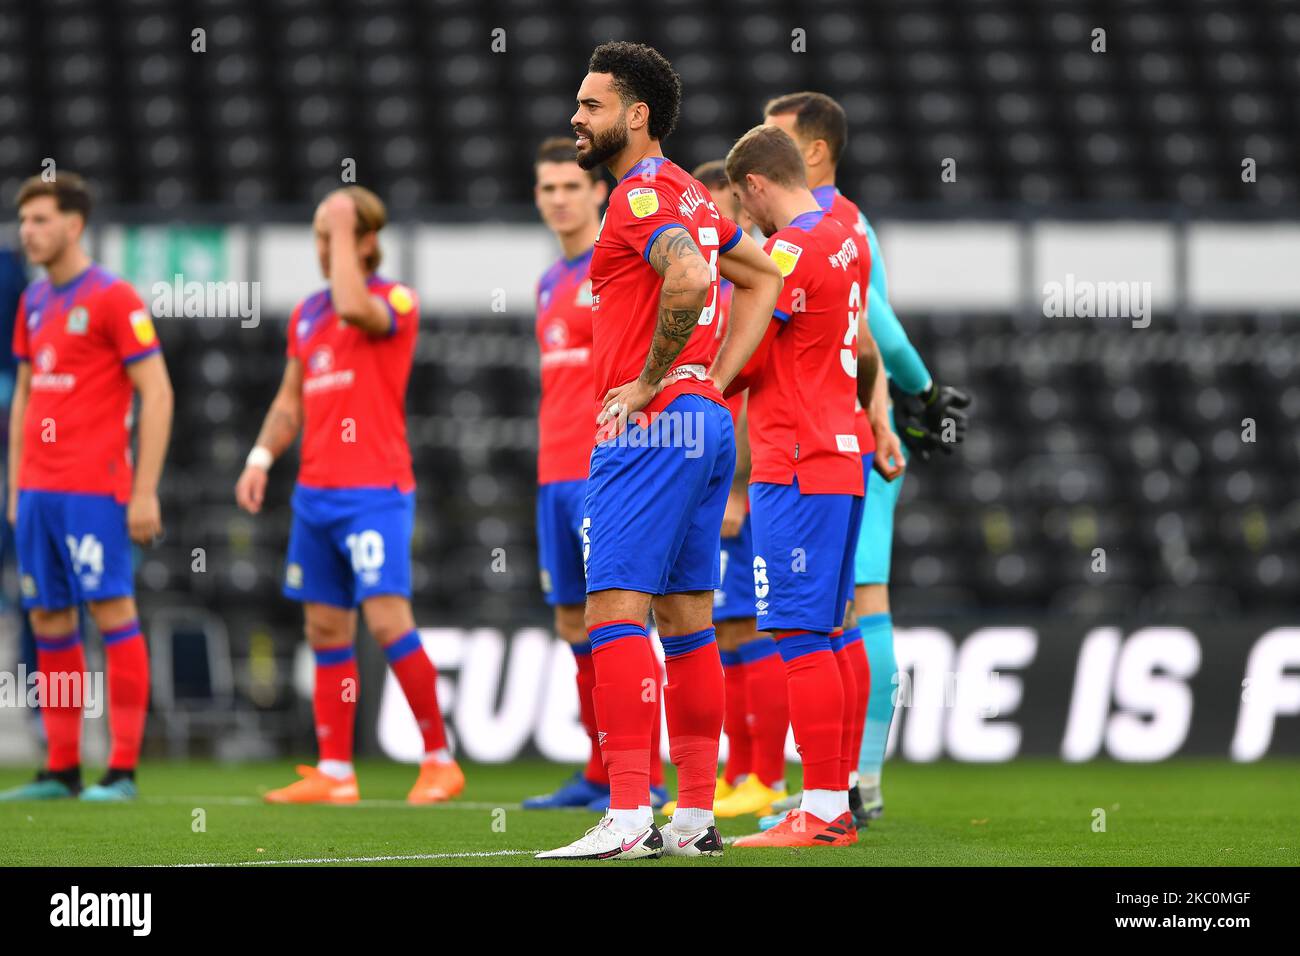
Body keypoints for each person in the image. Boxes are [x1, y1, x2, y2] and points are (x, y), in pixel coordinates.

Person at [537, 42, 781, 861]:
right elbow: (762, 280)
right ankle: (696, 816)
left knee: (612, 611)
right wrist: (712, 377)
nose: (576, 116)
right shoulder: (687, 190)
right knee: (687, 622)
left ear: (635, 116)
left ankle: (629, 813)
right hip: (705, 424)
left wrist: (649, 382)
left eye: (592, 104)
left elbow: (685, 281)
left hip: (649, 429)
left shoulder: (640, 197)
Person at [760, 92, 969, 828]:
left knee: (856, 607)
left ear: (814, 151)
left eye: (776, 134)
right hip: (852, 424)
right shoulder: (840, 224)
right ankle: (848, 780)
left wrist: (920, 393)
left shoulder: (831, 224)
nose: (762, 142)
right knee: (846, 608)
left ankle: (856, 780)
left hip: (832, 433)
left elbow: (875, 326)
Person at [234, 186, 462, 805]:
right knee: (324, 626)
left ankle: (439, 759)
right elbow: (290, 398)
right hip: (316, 492)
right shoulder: (307, 313)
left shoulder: (393, 301)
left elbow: (355, 306)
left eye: (330, 235)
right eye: (316, 235)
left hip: (374, 491)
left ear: (365, 241)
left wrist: (340, 225)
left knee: (387, 621)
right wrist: (260, 457)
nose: (320, 247)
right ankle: (336, 771)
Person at [717, 124, 896, 848]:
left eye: (741, 203)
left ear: (755, 185)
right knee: (827, 625)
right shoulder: (846, 238)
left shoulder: (787, 251)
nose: (744, 221)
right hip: (840, 449)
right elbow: (858, 351)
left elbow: (750, 355)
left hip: (795, 458)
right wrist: (872, 420)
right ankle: (833, 800)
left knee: (796, 633)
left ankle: (822, 809)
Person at [0, 172, 173, 803]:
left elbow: (157, 391)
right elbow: (23, 396)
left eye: (40, 219)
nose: (28, 231)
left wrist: (145, 490)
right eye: (24, 221)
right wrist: (17, 485)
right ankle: (63, 769)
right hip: (39, 491)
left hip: (95, 488)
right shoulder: (34, 302)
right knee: (48, 617)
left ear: (74, 224)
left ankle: (122, 770)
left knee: (110, 611)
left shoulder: (113, 297)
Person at [521, 136, 668, 811]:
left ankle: (645, 771)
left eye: (570, 187)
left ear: (597, 193)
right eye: (548, 188)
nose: (559, 199)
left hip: (605, 466)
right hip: (554, 470)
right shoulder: (549, 282)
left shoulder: (618, 265)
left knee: (622, 618)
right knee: (572, 625)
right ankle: (599, 767)